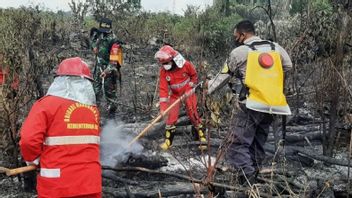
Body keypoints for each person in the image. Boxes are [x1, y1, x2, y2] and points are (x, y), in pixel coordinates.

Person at [207, 20, 292, 184]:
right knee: (257, 142)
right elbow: (288, 66)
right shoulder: (276, 48)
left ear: (243, 35)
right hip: (273, 105)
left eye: (236, 36)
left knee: (236, 144)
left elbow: (223, 77)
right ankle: (254, 175)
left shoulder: (240, 52)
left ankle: (247, 180)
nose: (235, 39)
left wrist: (208, 89)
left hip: (251, 104)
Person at [19, 57, 102, 197]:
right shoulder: (93, 110)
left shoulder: (45, 105)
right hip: (90, 185)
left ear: (60, 80)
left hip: (57, 186)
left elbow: (28, 140)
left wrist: (32, 159)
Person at [154, 45, 207, 151]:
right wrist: (163, 108)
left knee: (193, 114)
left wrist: (189, 88)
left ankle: (202, 138)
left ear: (173, 60)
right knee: (171, 117)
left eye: (166, 63)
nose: (165, 66)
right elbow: (163, 90)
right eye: (163, 64)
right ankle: (168, 142)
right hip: (175, 95)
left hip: (188, 92)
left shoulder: (186, 65)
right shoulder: (163, 72)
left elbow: (194, 76)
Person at [90, 17, 123, 118]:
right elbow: (92, 40)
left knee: (110, 95)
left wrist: (107, 71)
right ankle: (94, 115)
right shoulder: (98, 34)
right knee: (95, 92)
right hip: (98, 68)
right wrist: (94, 47)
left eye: (105, 31)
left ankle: (111, 118)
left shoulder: (114, 41)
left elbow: (114, 61)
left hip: (110, 71)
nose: (103, 33)